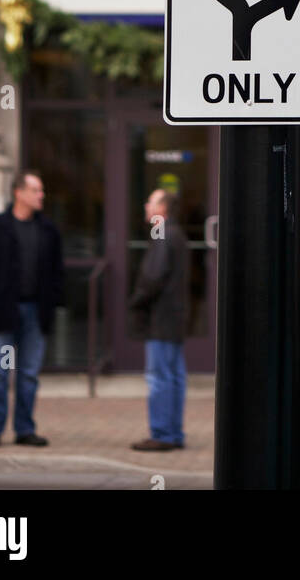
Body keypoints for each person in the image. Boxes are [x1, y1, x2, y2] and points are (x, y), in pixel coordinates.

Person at [0, 170, 65, 447]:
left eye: (41, 191)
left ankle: (24, 429)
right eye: (36, 190)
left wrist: (53, 299)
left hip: (35, 315)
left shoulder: (48, 230)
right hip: (5, 315)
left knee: (28, 374)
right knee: (0, 373)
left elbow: (57, 271)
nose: (41, 196)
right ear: (19, 193)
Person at [129, 187, 189, 452]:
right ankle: (173, 433)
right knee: (174, 376)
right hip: (173, 319)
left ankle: (163, 433)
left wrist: (136, 300)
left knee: (160, 377)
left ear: (162, 209)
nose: (145, 205)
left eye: (151, 201)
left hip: (161, 318)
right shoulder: (176, 235)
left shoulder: (162, 234)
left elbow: (153, 277)